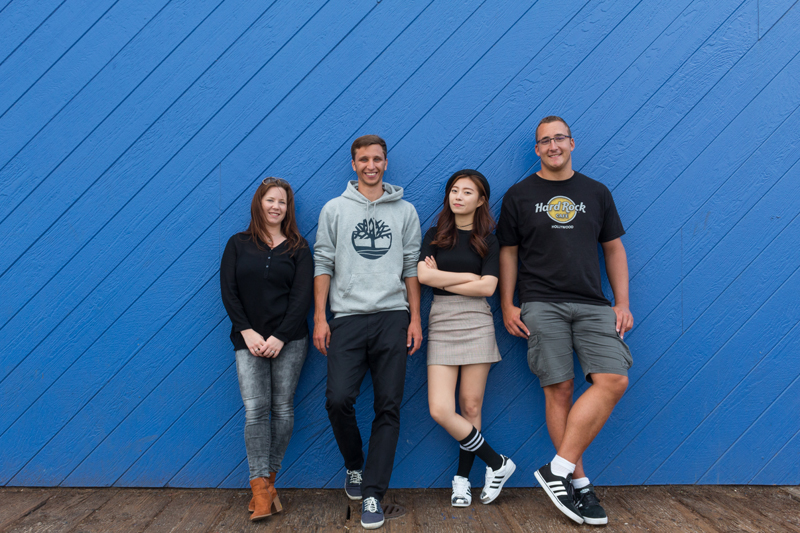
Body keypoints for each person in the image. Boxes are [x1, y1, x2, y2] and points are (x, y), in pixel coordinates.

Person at [497, 116, 633, 526]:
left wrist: (621, 302)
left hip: (593, 303)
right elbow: (508, 253)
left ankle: (555, 469)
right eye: (545, 141)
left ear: (572, 143)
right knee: (560, 389)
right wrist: (507, 303)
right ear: (536, 150)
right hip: (540, 302)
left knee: (613, 379)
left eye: (559, 138)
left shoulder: (596, 192)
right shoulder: (519, 195)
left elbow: (613, 249)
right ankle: (579, 484)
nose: (553, 145)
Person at [313, 134, 422, 530]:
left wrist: (415, 318)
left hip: (393, 316)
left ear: (386, 163)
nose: (371, 165)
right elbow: (322, 260)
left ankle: (373, 496)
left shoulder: (405, 210)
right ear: (353, 164)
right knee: (338, 399)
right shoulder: (334, 210)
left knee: (387, 407)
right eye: (363, 159)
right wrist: (321, 317)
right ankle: (355, 466)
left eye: (377, 159)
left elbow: (411, 265)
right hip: (347, 318)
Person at [418, 169, 515, 507]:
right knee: (441, 409)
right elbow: (421, 276)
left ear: (481, 199)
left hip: (477, 321)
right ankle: (497, 462)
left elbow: (488, 287)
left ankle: (462, 480)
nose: (458, 197)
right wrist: (466, 278)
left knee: (471, 406)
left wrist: (440, 277)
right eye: (454, 190)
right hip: (442, 321)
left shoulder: (489, 239)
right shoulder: (433, 234)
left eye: (467, 192)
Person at [220, 178, 313, 521]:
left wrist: (280, 337)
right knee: (256, 411)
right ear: (259, 203)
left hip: (289, 342)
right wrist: (247, 331)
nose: (276, 207)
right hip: (247, 341)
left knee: (283, 409)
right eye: (270, 200)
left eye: (283, 203)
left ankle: (268, 480)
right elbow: (229, 291)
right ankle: (261, 489)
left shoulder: (299, 248)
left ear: (288, 209)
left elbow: (302, 297)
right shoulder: (238, 244)